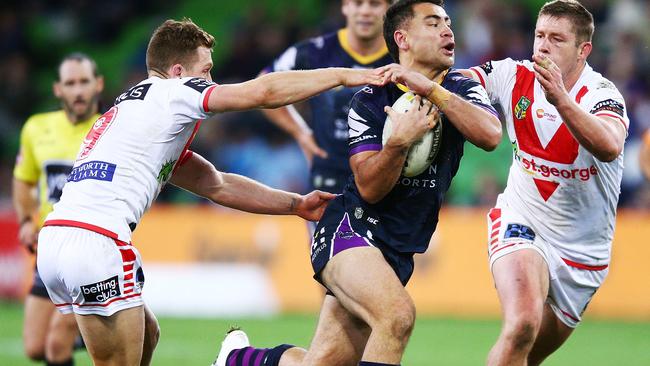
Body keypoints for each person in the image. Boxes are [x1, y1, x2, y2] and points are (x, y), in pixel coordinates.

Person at [35, 18, 393, 366]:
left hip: (57, 241)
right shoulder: (173, 93)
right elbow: (262, 92)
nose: (210, 81)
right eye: (205, 71)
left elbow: (216, 184)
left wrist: (296, 205)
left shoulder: (137, 114)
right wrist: (344, 75)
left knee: (149, 333)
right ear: (177, 72)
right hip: (96, 244)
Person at [213, 1, 501, 365]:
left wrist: (430, 90)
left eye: (447, 22)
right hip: (350, 230)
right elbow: (369, 188)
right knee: (396, 317)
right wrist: (397, 143)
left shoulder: (461, 87)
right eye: (433, 23)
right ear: (403, 39)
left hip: (399, 246)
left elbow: (490, 135)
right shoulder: (370, 99)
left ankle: (238, 358)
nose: (448, 30)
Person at [464, 1, 629, 364]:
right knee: (522, 324)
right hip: (522, 221)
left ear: (583, 50)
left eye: (556, 38)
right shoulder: (512, 75)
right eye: (539, 35)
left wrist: (561, 99)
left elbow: (609, 145)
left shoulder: (602, 94)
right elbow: (462, 81)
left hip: (582, 256)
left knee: (524, 355)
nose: (542, 46)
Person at [12, 53, 103, 366]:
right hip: (49, 251)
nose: (78, 91)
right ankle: (99, 335)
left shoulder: (110, 131)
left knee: (55, 345)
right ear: (58, 89)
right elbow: (24, 181)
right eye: (70, 83)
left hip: (90, 250)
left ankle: (79, 337)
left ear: (98, 85)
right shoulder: (37, 128)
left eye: (84, 82)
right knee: (35, 348)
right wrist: (26, 219)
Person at [260, 0, 393, 200]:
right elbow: (263, 85)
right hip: (329, 177)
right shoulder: (314, 52)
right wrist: (301, 132)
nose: (365, 11)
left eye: (374, 4)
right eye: (358, 3)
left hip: (387, 178)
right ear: (345, 6)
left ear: (389, 9)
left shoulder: (404, 56)